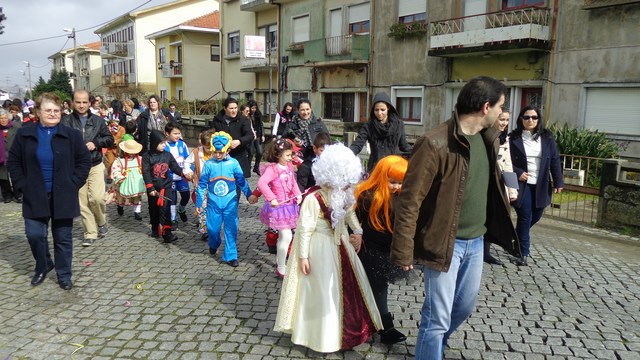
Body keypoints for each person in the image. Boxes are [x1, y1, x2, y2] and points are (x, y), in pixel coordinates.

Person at [390, 76, 521, 360]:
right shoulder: (434, 143)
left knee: (463, 308)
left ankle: (435, 344)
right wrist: (404, 250)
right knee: (436, 318)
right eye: (501, 106)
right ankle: (431, 348)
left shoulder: (488, 140)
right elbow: (410, 201)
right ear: (486, 107)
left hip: (476, 243)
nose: (503, 113)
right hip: (443, 244)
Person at [274, 143, 382, 353]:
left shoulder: (344, 194)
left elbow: (350, 213)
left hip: (340, 244)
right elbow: (304, 229)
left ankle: (346, 331)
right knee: (322, 292)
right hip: (319, 249)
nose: (346, 186)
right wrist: (303, 256)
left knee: (345, 291)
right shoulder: (313, 198)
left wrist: (358, 232)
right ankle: (322, 336)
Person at [7, 92, 91, 290]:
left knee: (63, 238)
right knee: (35, 234)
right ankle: (43, 264)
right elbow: (14, 162)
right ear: (38, 111)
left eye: (56, 110)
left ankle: (64, 275)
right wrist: (22, 185)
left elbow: (84, 161)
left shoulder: (72, 135)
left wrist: (74, 183)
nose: (53, 114)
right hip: (34, 193)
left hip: (63, 194)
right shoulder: (24, 134)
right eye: (48, 110)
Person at [354, 155, 411, 345]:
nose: (396, 187)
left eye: (401, 182)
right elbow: (353, 220)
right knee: (378, 288)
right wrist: (356, 234)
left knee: (377, 288)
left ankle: (373, 322)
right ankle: (385, 328)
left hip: (389, 251)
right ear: (381, 176)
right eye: (393, 182)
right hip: (370, 251)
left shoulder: (402, 196)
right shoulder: (367, 195)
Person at [509, 106, 563, 266]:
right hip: (522, 184)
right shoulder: (513, 138)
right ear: (521, 119)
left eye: (534, 117)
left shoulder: (547, 138)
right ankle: (522, 253)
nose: (530, 120)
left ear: (538, 119)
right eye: (526, 117)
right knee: (525, 217)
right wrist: (518, 171)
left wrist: (558, 180)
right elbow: (505, 160)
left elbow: (554, 159)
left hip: (541, 184)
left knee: (536, 215)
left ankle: (516, 239)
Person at [62, 90, 114, 247]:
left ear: (89, 102)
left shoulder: (98, 121)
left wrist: (96, 143)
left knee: (97, 198)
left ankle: (101, 221)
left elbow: (109, 139)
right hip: (76, 167)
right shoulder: (65, 122)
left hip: (95, 164)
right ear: (72, 102)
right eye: (78, 102)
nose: (81, 105)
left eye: (84, 102)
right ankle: (90, 232)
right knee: (83, 201)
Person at [195, 131, 253, 267]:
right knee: (213, 229)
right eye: (215, 152)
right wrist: (199, 202)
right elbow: (202, 184)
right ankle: (214, 243)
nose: (218, 155)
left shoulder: (234, 163)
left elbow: (241, 180)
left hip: (230, 203)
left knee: (231, 229)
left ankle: (230, 255)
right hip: (213, 203)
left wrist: (249, 194)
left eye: (221, 152)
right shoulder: (209, 164)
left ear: (227, 150)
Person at [257, 139, 302, 278]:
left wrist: (298, 194)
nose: (290, 158)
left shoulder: (288, 167)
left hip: (290, 206)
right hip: (279, 208)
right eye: (287, 155)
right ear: (278, 155)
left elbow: (293, 182)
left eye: (291, 155)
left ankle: (281, 264)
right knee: (286, 236)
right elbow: (261, 183)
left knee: (285, 237)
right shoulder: (273, 169)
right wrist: (272, 198)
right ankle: (281, 266)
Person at [142, 130, 191, 243]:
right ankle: (155, 228)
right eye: (160, 143)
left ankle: (167, 233)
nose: (163, 145)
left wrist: (184, 174)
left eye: (164, 142)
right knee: (153, 210)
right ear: (154, 143)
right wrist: (150, 188)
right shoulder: (146, 156)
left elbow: (175, 167)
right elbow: (145, 172)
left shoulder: (167, 155)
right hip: (154, 189)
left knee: (165, 210)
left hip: (166, 187)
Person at [484, 108, 518, 266]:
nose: (504, 123)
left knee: (494, 217)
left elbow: (508, 165)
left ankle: (486, 251)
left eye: (506, 120)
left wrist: (512, 190)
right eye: (501, 119)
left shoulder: (505, 138)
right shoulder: (485, 136)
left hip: (500, 184)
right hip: (487, 183)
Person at [350, 92, 413, 172]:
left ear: (388, 108)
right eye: (376, 110)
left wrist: (416, 152)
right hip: (375, 169)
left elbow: (404, 145)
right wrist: (347, 154)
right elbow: (358, 144)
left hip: (392, 169)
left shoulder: (399, 124)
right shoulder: (369, 126)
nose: (379, 113)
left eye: (382, 110)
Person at [210, 97, 254, 179]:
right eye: (231, 108)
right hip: (222, 156)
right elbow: (212, 136)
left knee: (237, 184)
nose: (234, 110)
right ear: (225, 108)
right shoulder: (217, 120)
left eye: (235, 108)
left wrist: (239, 141)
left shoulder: (243, 119)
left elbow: (250, 135)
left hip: (239, 155)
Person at [183, 129, 215, 241]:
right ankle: (204, 230)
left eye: (211, 147)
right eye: (207, 147)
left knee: (212, 208)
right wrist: (188, 171)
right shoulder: (196, 152)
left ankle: (212, 227)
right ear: (202, 144)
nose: (210, 149)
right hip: (200, 185)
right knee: (202, 207)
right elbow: (186, 162)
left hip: (214, 186)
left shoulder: (218, 152)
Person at [110, 139, 145, 220]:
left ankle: (137, 212)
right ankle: (120, 206)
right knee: (121, 197)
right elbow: (115, 170)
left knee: (137, 196)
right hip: (124, 182)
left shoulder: (140, 159)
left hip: (137, 182)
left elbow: (145, 169)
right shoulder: (119, 160)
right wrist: (118, 176)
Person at [164, 122, 191, 224]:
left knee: (186, 195)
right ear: (167, 133)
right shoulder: (164, 145)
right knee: (172, 198)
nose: (178, 136)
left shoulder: (182, 144)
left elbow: (188, 159)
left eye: (179, 133)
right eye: (175, 133)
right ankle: (173, 219)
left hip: (182, 175)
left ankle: (181, 209)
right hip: (170, 177)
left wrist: (189, 172)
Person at [0, 109, 22, 203]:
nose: (3, 120)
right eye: (1, 118)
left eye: (5, 118)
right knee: (3, 177)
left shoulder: (15, 126)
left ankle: (18, 195)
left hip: (13, 155)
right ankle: (7, 195)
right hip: (1, 156)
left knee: (15, 175)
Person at [104, 108, 125, 182]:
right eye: (113, 121)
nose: (114, 123)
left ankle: (120, 175)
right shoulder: (107, 128)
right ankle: (109, 175)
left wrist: (116, 141)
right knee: (110, 162)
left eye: (116, 121)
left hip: (119, 148)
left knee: (119, 162)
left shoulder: (121, 129)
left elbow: (122, 138)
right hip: (110, 148)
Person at [247, 100, 265, 175]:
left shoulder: (258, 114)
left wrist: (263, 135)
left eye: (255, 108)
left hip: (258, 135)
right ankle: (247, 167)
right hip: (250, 136)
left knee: (260, 152)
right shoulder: (247, 115)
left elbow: (261, 124)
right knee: (250, 153)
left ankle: (256, 167)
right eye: (252, 108)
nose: (254, 110)